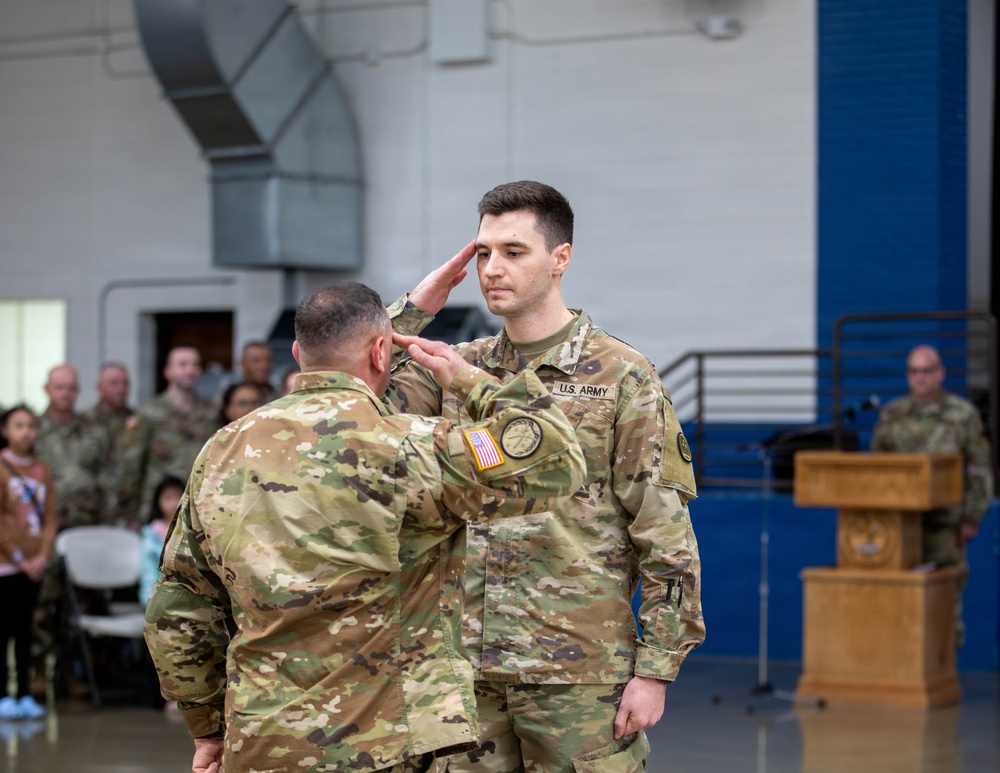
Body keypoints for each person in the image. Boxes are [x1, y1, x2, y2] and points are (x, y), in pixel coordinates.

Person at [144, 281, 586, 773]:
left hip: (259, 740)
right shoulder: (409, 448)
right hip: (377, 745)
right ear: (381, 353)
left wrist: (207, 727)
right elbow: (557, 460)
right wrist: (468, 380)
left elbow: (177, 607)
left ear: (297, 355)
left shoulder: (222, 450)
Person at [387, 181, 705, 772]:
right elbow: (349, 389)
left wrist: (656, 670)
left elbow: (663, 531)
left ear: (561, 258)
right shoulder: (457, 367)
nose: (492, 269)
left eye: (514, 251)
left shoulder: (621, 376)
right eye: (484, 253)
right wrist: (417, 308)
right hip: (465, 670)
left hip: (578, 673)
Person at [870, 344, 994, 647]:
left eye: (926, 370)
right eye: (914, 371)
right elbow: (876, 468)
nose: (920, 377)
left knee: (944, 606)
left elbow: (980, 469)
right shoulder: (892, 414)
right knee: (900, 604)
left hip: (944, 527)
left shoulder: (962, 414)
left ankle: (944, 664)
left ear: (941, 373)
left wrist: (971, 517)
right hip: (899, 529)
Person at [0, 405, 58, 720]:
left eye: (31, 425)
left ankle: (24, 693)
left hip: (34, 566)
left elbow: (50, 517)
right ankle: (3, 695)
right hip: (7, 565)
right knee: (3, 630)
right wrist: (20, 557)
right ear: (5, 430)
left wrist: (42, 555)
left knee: (25, 630)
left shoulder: (41, 469)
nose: (26, 432)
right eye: (18, 425)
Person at [119, 347, 217, 518]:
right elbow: (132, 464)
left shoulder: (211, 412)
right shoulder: (149, 412)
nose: (190, 370)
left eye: (195, 365)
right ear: (168, 372)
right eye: (182, 365)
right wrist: (129, 512)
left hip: (201, 506)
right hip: (160, 508)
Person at [35, 365, 111, 530]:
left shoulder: (94, 430)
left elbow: (106, 476)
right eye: (59, 387)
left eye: (71, 388)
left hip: (86, 521)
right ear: (46, 389)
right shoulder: (33, 430)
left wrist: (106, 521)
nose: (65, 393)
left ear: (78, 391)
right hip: (43, 523)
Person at [85, 362, 137, 525]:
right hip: (92, 505)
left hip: (128, 506)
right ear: (99, 387)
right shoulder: (85, 421)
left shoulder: (137, 421)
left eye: (125, 383)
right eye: (114, 383)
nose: (121, 389)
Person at [139, 475, 184, 605]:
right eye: (168, 497)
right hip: (159, 600)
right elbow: (148, 573)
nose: (174, 503)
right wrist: (149, 601)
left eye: (179, 497)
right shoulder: (151, 534)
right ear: (157, 501)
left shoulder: (191, 530)